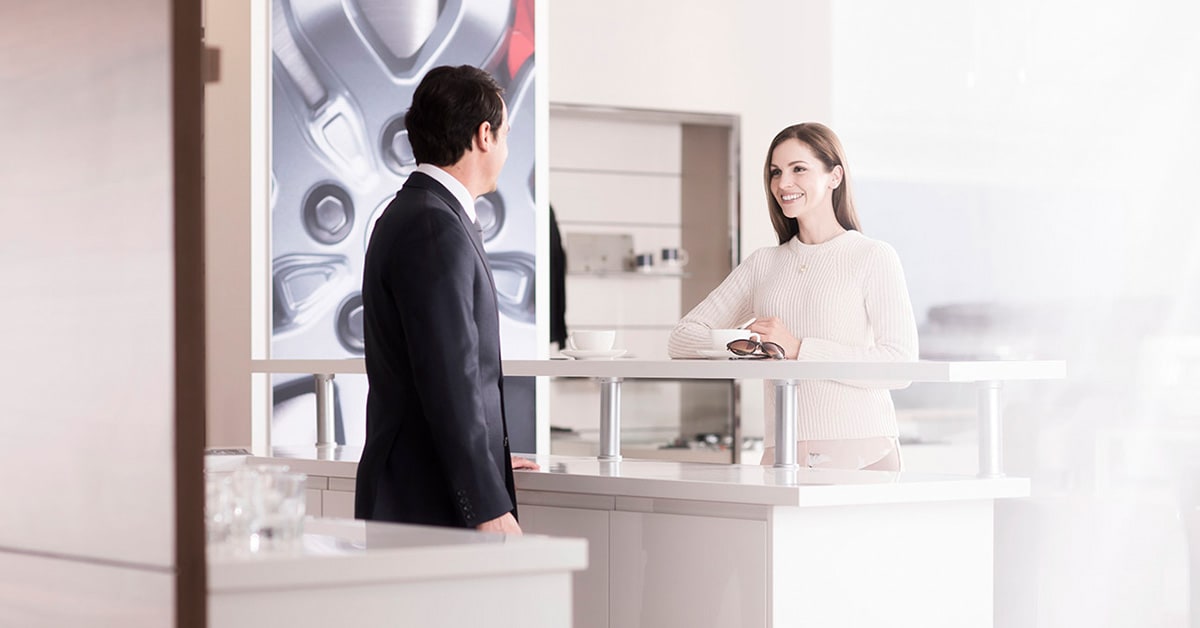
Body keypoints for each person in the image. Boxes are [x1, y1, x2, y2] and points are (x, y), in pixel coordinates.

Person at [667, 122, 919, 470]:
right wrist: (751, 346)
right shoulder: (764, 264)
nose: (783, 184)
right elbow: (681, 339)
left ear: (834, 176)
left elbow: (900, 365)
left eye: (798, 169)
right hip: (783, 452)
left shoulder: (872, 256)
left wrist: (799, 349)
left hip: (863, 453)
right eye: (775, 172)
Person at [355, 65, 538, 534]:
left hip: (420, 492)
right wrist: (485, 503)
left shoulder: (419, 212)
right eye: (506, 135)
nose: (506, 149)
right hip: (425, 503)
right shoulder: (433, 226)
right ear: (483, 135)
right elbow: (448, 379)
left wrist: (491, 453)